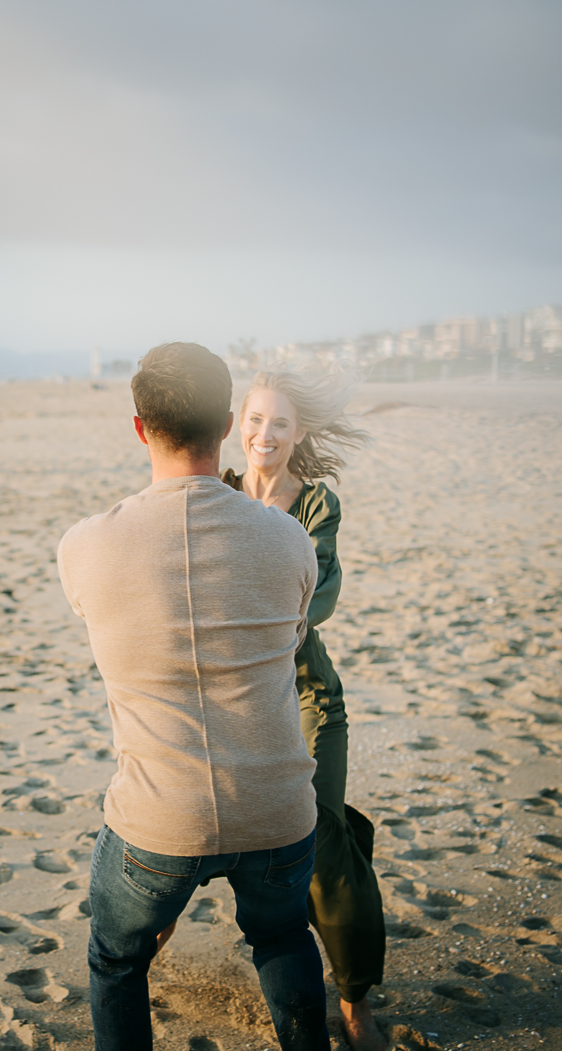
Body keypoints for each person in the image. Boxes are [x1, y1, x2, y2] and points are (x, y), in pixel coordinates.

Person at [57, 342, 330, 1053]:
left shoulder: (84, 545)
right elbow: (296, 631)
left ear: (141, 429)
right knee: (281, 935)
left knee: (117, 959)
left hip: (158, 818)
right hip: (275, 804)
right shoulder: (289, 539)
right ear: (229, 424)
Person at [221, 367, 388, 1051]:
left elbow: (314, 600)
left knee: (317, 841)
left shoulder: (316, 505)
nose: (265, 434)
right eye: (255, 419)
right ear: (237, 423)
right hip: (231, 701)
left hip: (305, 698)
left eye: (280, 423)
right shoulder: (214, 494)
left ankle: (353, 997)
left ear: (300, 433)